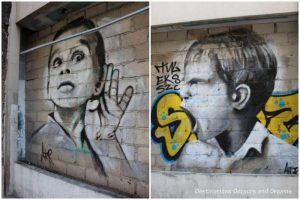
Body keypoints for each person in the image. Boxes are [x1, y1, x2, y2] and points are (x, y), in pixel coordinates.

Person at [29, 17, 144, 179]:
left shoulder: (98, 139)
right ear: (48, 84)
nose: (64, 68)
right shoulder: (41, 140)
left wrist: (108, 139)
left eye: (77, 57)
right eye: (57, 62)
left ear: (100, 79)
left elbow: (129, 185)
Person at [172, 29, 298, 173]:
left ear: (239, 97)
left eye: (196, 82)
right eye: (185, 83)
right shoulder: (190, 156)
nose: (182, 92)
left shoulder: (288, 161)